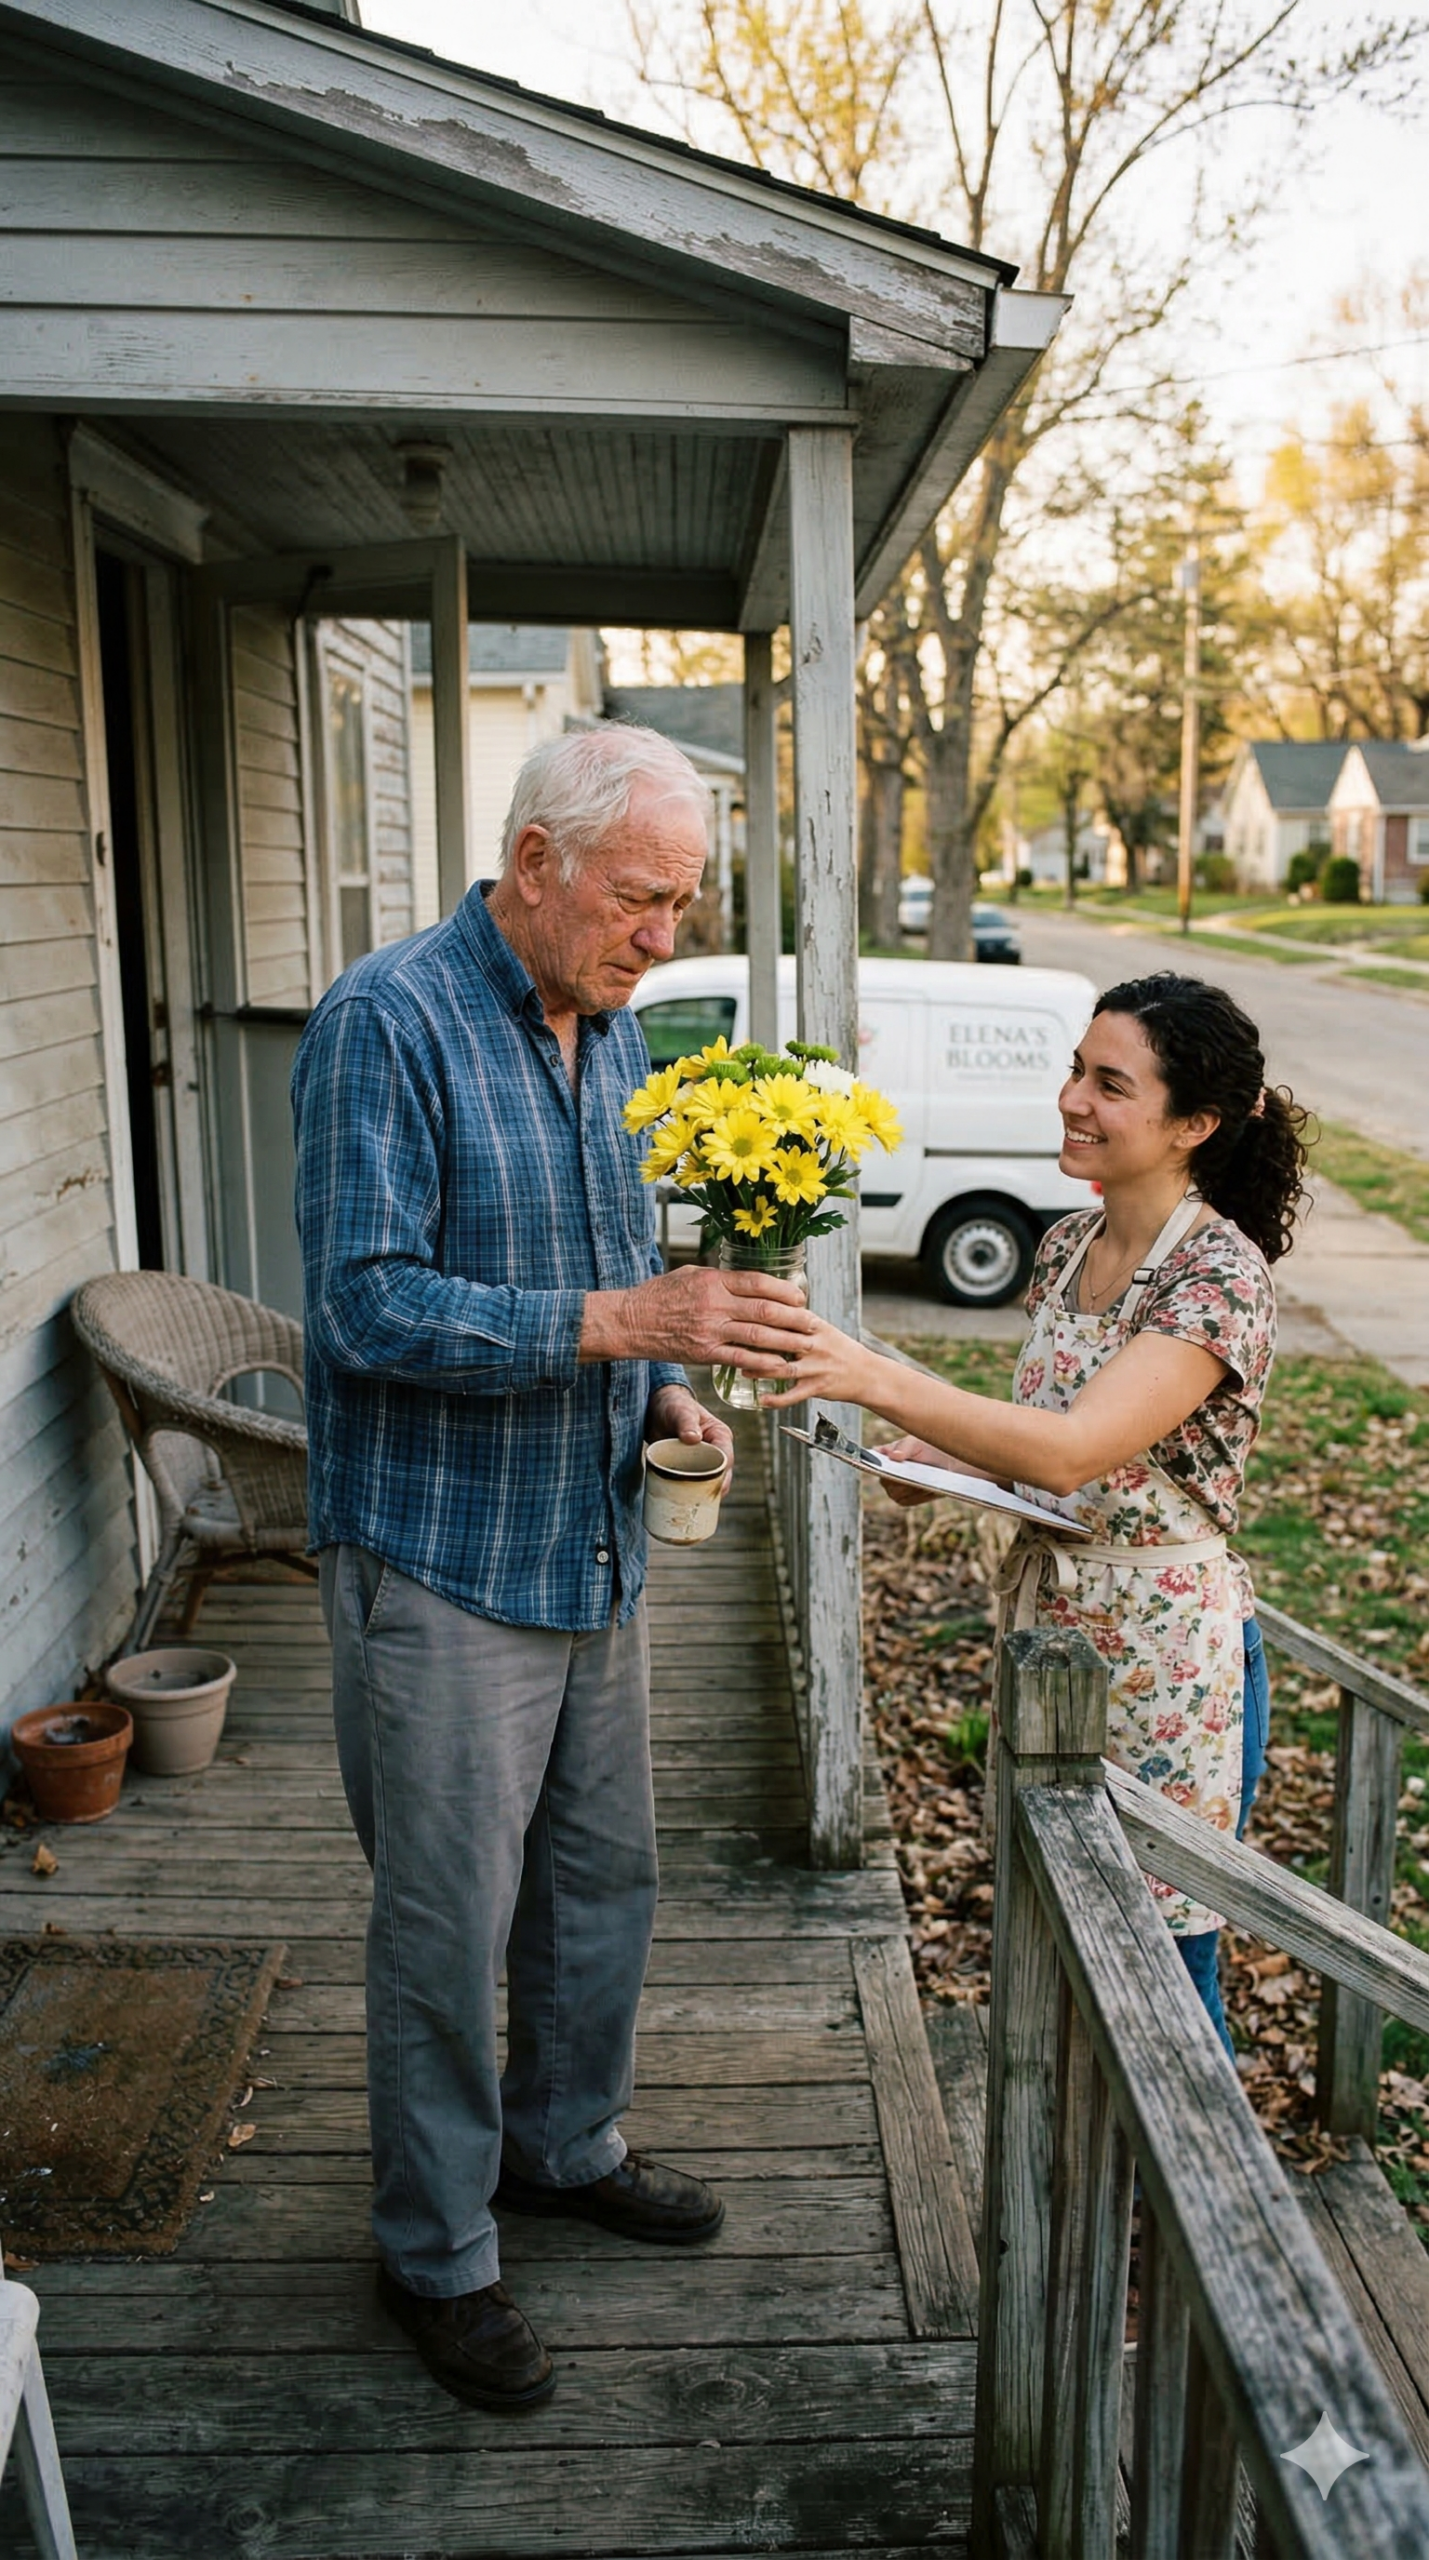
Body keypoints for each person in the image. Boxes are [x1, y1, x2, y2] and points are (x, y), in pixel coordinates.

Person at [291, 726, 805, 2412]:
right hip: (442, 1560)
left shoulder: (614, 1019)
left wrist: (657, 1387)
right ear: (534, 864)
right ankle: (435, 2251)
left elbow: (604, 1259)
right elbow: (362, 1305)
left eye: (683, 903)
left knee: (599, 1886)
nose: (664, 936)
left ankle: (563, 2147)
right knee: (445, 1932)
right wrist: (622, 1322)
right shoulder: (385, 1021)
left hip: (593, 1537)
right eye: (640, 898)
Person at [764, 973, 1307, 2053]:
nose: (1071, 1099)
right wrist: (940, 1459)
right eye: (1074, 1070)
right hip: (1051, 1646)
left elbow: (1073, 1448)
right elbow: (1042, 1447)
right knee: (1054, 1933)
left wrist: (870, 1375)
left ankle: (1193, 2163)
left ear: (1193, 1125)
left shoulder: (1217, 1278)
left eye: (1110, 1084)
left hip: (1160, 1665)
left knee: (1161, 1972)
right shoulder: (1064, 1249)